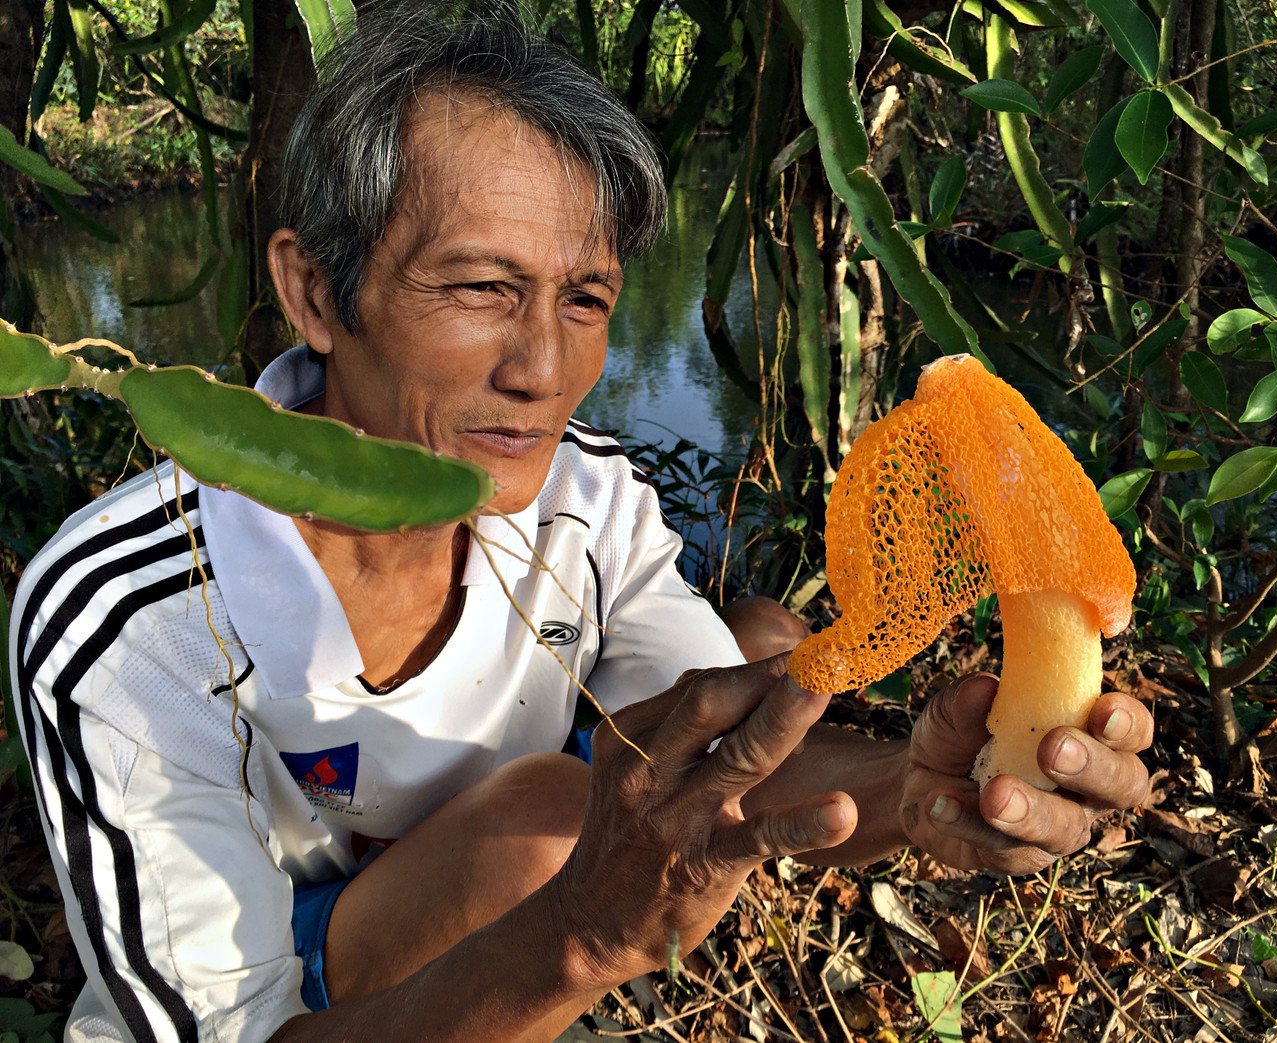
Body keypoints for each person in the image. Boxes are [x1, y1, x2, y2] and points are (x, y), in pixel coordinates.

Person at [9, 6, 1153, 1042]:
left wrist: (923, 789)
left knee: (750, 645)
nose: (546, 371)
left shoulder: (587, 501)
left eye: (586, 298)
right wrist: (583, 934)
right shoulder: (135, 615)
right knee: (556, 823)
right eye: (479, 288)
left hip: (474, 879)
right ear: (316, 294)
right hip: (290, 991)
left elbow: (724, 772)